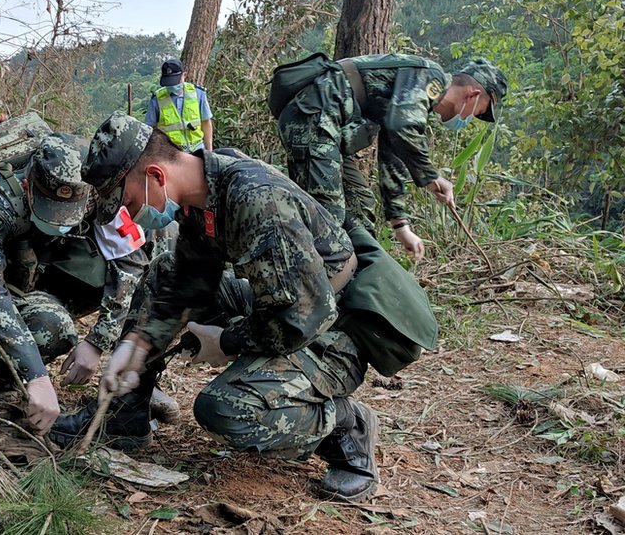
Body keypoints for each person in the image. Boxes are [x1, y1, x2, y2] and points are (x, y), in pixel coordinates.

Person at [50, 113, 437, 503]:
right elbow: (188, 280)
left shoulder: (254, 199)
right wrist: (139, 344)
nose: (131, 215)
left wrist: (227, 340)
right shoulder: (203, 192)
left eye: (128, 201)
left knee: (226, 409)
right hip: (285, 302)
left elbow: (300, 319)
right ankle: (125, 417)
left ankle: (345, 425)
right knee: (161, 273)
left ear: (155, 176)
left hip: (335, 328)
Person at [0, 133, 177, 435]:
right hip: (23, 282)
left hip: (69, 270)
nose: (61, 222)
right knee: (50, 327)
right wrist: (36, 375)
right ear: (29, 187)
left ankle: (130, 390)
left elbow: (129, 264)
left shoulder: (98, 186)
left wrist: (97, 342)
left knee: (161, 257)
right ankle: (9, 382)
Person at [276, 55, 507, 260]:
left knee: (360, 206)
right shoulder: (430, 76)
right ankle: (306, 292)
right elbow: (402, 127)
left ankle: (360, 283)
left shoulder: (415, 99)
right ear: (473, 95)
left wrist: (401, 226)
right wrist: (431, 177)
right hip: (313, 119)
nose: (471, 118)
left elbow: (393, 153)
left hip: (328, 130)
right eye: (479, 112)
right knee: (328, 218)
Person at [145, 58, 214, 152]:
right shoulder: (157, 99)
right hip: (170, 153)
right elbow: (150, 129)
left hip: (197, 150)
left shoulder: (198, 93)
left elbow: (206, 122)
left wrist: (209, 151)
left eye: (174, 81)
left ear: (184, 75)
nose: (172, 85)